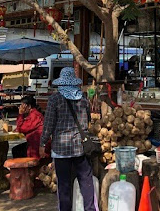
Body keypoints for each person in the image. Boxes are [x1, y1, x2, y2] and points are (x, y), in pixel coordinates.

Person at [40, 67, 96, 211]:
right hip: (80, 147)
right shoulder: (83, 99)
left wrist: (43, 142)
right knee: (86, 181)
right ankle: (90, 208)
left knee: (64, 184)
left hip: (61, 149)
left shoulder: (55, 99)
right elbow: (88, 121)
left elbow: (48, 124)